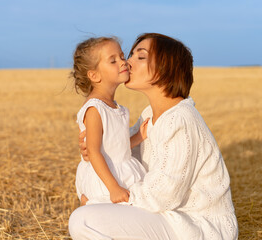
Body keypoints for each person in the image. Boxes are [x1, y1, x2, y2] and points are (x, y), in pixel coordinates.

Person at [69, 33, 238, 239]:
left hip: (195, 226)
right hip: (166, 218)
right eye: (129, 55)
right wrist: (95, 149)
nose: (127, 62)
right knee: (84, 219)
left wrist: (99, 201)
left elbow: (163, 195)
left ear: (166, 69)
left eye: (140, 57)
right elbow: (122, 152)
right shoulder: (150, 115)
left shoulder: (181, 119)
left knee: (83, 219)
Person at [71, 37, 148, 205]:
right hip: (106, 178)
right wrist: (113, 187)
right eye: (113, 60)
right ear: (94, 75)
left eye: (122, 56)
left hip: (120, 169)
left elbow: (114, 146)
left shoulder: (115, 107)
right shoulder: (95, 109)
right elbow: (94, 152)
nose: (123, 62)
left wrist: (139, 137)